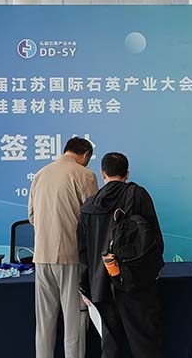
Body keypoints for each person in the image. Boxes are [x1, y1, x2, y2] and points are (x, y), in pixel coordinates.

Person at [78, 152, 164, 358]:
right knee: (144, 343)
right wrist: (153, 271)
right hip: (135, 282)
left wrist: (85, 286)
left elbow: (83, 252)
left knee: (111, 346)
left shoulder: (89, 205)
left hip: (101, 285)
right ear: (127, 173)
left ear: (103, 173)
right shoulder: (138, 195)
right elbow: (154, 239)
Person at [28, 137, 99, 358]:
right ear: (85, 155)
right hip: (71, 255)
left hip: (41, 255)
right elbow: (93, 218)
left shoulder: (40, 174)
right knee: (74, 319)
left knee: (44, 321)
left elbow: (31, 216)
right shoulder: (85, 175)